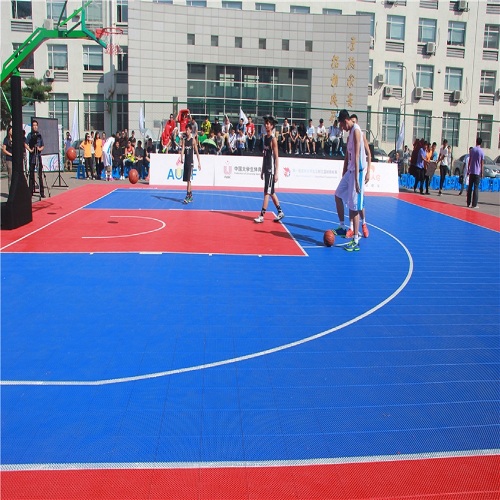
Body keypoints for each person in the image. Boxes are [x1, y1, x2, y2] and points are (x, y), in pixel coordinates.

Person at [333, 110, 368, 252]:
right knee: (337, 194)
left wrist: (357, 179)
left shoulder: (357, 131)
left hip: (357, 172)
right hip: (350, 171)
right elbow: (350, 156)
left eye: (341, 124)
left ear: (345, 120)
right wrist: (346, 172)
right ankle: (342, 226)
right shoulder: (350, 133)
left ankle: (355, 240)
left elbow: (358, 154)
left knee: (354, 207)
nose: (341, 128)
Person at [254, 115, 284, 224]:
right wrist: (262, 170)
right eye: (265, 123)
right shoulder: (265, 138)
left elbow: (276, 157)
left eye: (268, 124)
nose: (266, 125)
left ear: (272, 126)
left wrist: (276, 173)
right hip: (266, 169)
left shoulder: (273, 140)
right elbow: (264, 155)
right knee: (271, 192)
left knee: (267, 192)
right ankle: (280, 212)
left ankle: (261, 215)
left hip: (271, 170)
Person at [180, 123, 201, 204]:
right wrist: (181, 157)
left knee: (189, 180)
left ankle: (188, 195)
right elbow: (182, 149)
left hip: (190, 162)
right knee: (187, 180)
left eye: (188, 130)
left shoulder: (193, 140)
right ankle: (191, 195)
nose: (187, 131)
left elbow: (196, 152)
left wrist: (199, 162)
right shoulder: (185, 140)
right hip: (186, 161)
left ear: (190, 130)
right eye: (186, 130)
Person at [25, 120, 45, 196]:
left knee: (40, 175)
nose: (35, 126)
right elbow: (25, 144)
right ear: (32, 126)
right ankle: (30, 192)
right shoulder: (30, 135)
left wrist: (40, 149)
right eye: (33, 125)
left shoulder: (39, 135)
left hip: (38, 156)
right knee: (31, 174)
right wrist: (30, 150)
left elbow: (43, 145)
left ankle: (42, 192)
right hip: (32, 157)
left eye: (36, 125)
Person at [466, 137, 484, 209]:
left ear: (476, 142)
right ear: (481, 143)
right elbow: (481, 163)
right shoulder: (481, 151)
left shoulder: (472, 150)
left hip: (472, 171)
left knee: (470, 187)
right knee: (476, 188)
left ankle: (468, 202)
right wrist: (481, 172)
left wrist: (468, 169)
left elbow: (470, 160)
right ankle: (474, 204)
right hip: (477, 172)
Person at [2, 126, 13, 191]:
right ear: (8, 131)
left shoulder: (15, 139)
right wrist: (10, 154)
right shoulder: (6, 139)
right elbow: (4, 150)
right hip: (9, 159)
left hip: (15, 159)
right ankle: (10, 191)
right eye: (11, 130)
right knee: (10, 175)